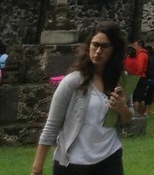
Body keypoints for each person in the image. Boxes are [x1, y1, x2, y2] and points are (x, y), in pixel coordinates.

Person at [31, 21, 133, 175]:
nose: (98, 51)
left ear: (114, 50)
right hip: (73, 164)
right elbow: (51, 127)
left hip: (109, 159)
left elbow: (127, 119)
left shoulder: (121, 80)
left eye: (104, 46)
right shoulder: (72, 82)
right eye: (95, 45)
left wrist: (121, 108)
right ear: (88, 47)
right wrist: (36, 170)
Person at [122, 38, 149, 116]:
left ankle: (136, 114)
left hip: (138, 77)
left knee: (136, 98)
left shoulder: (141, 55)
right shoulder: (143, 55)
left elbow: (140, 68)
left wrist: (135, 77)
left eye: (135, 45)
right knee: (141, 98)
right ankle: (141, 113)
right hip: (142, 77)